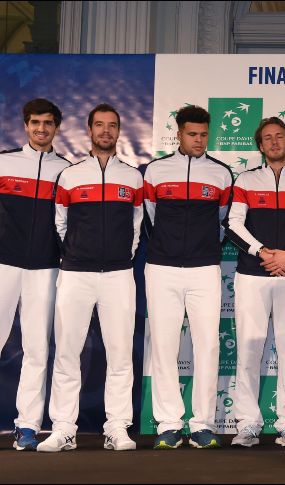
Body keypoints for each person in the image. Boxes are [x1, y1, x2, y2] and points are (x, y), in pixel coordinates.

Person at [37, 104, 143, 453]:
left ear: (118, 131)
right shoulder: (70, 175)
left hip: (118, 274)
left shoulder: (132, 177)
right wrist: (75, 253)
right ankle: (64, 428)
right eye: (100, 125)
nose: (106, 131)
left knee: (120, 354)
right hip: (76, 274)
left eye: (112, 126)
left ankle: (117, 427)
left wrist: (121, 257)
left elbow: (138, 225)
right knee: (67, 352)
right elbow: (59, 222)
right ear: (89, 130)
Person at [143, 105, 234, 449]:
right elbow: (149, 217)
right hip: (161, 266)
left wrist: (203, 248)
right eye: (192, 134)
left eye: (203, 135)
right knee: (165, 345)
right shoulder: (155, 170)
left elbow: (223, 221)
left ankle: (202, 424)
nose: (198, 140)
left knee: (208, 345)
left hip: (204, 268)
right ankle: (168, 423)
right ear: (178, 134)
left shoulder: (221, 174)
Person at [224, 117, 285, 448]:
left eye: (280, 137)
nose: (274, 142)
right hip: (252, 274)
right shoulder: (245, 180)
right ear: (260, 146)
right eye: (267, 138)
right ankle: (247, 422)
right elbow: (233, 224)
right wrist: (263, 252)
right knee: (249, 347)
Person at [0, 98, 70, 451]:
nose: (41, 129)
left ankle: (27, 426)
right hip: (4, 265)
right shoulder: (4, 162)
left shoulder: (68, 171)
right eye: (34, 123)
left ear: (57, 127)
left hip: (45, 268)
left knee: (37, 349)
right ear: (25, 126)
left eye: (47, 123)